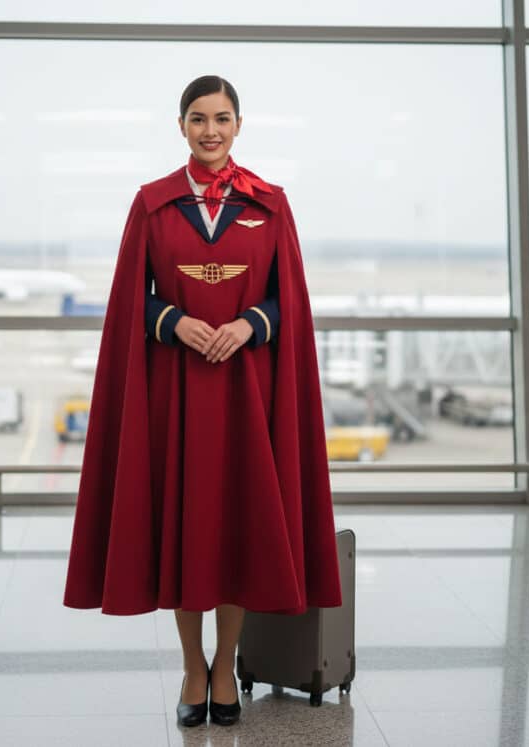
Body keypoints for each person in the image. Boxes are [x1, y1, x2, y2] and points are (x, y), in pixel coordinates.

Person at [63, 74, 342, 728]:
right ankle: (194, 666)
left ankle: (227, 666)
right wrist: (174, 322)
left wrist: (249, 325)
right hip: (177, 394)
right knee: (187, 530)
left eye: (221, 118)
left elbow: (289, 301)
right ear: (181, 127)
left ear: (238, 125)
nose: (210, 130)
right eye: (197, 119)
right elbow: (134, 297)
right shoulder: (153, 204)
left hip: (247, 393)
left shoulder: (270, 204)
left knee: (237, 528)